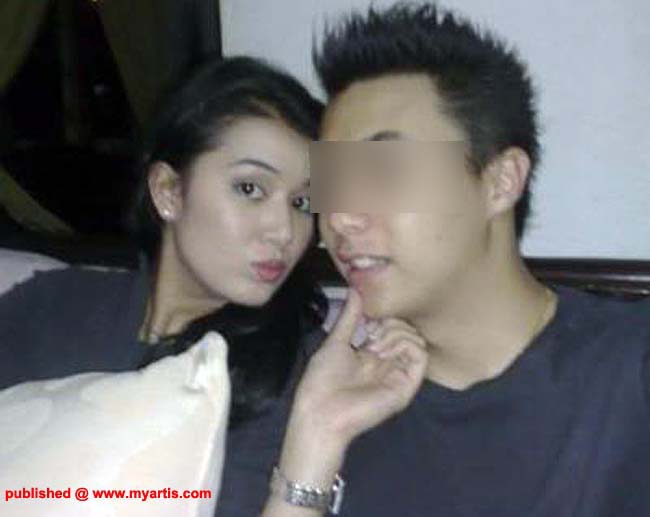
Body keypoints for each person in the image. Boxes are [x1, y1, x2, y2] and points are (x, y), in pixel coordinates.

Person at [214, 4, 650, 516]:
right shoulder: (308, 387)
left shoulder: (628, 371)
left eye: (384, 170)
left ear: (500, 181)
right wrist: (315, 445)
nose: (340, 218)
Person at [0, 56, 327, 431]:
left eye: (302, 203)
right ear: (168, 191)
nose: (284, 231)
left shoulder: (309, 372)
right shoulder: (50, 306)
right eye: (250, 189)